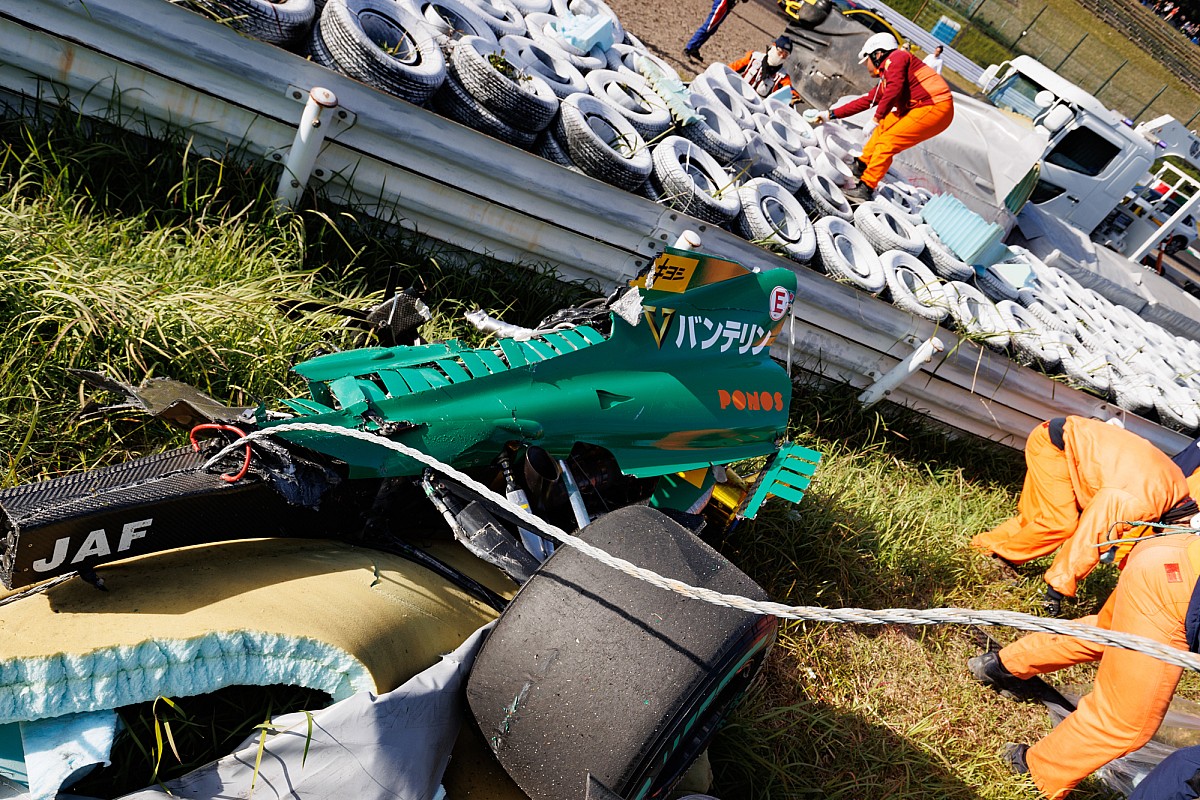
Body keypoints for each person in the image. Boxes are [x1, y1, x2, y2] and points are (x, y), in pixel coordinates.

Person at [969, 530, 1200, 798]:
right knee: (1124, 723)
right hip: (1173, 593)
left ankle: (1002, 665)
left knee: (1107, 634)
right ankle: (1035, 773)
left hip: (1172, 553)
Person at [971, 416, 1192, 615]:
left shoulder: (1177, 486)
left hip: (1067, 441)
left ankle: (984, 547)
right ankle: (1000, 558)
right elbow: (1092, 539)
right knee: (1059, 523)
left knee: (1041, 518)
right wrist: (1056, 590)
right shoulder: (1139, 501)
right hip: (1056, 445)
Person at [822, 32, 954, 203]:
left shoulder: (897, 57)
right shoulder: (889, 75)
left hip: (935, 105)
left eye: (867, 60)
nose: (866, 66)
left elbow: (894, 89)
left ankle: (866, 187)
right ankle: (861, 164)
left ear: (877, 54)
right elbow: (866, 101)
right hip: (920, 106)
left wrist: (875, 118)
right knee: (884, 126)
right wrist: (831, 114)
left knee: (888, 142)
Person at [728, 36, 795, 99]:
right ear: (773, 47)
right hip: (737, 95)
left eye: (785, 55)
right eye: (780, 52)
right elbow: (730, 68)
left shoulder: (783, 76)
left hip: (756, 105)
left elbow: (790, 92)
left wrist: (793, 97)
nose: (781, 56)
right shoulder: (753, 58)